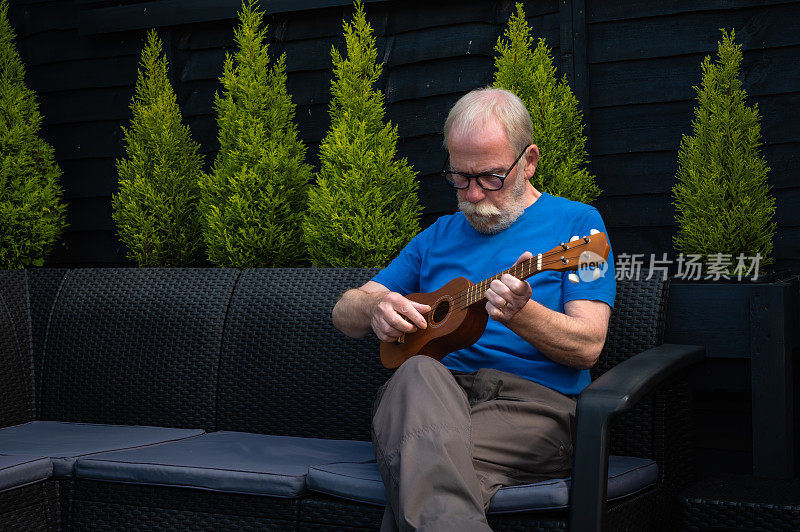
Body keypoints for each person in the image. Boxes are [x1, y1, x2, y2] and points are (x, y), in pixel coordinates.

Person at [331, 87, 616, 531]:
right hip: (429, 399)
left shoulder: (582, 231)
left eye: (490, 178)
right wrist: (375, 308)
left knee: (421, 466)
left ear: (530, 161)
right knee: (416, 373)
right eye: (460, 178)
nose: (474, 194)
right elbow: (343, 310)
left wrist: (522, 314)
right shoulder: (435, 237)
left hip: (534, 411)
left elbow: (588, 345)